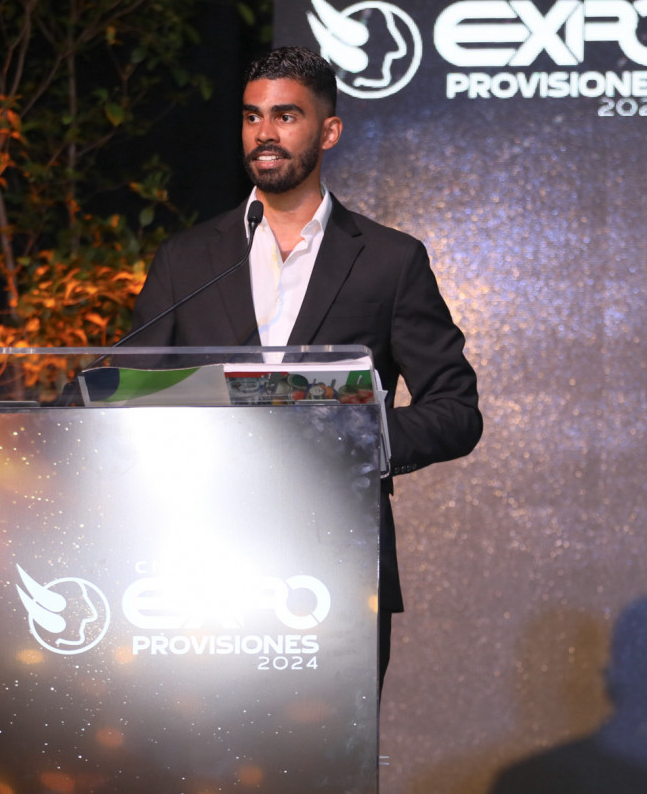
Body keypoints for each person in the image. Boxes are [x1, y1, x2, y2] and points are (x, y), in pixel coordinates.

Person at [130, 45, 482, 686]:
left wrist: (356, 437)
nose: (264, 133)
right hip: (196, 564)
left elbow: (456, 411)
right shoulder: (186, 259)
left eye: (285, 116)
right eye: (252, 116)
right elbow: (131, 394)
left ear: (329, 131)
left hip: (336, 561)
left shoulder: (389, 260)